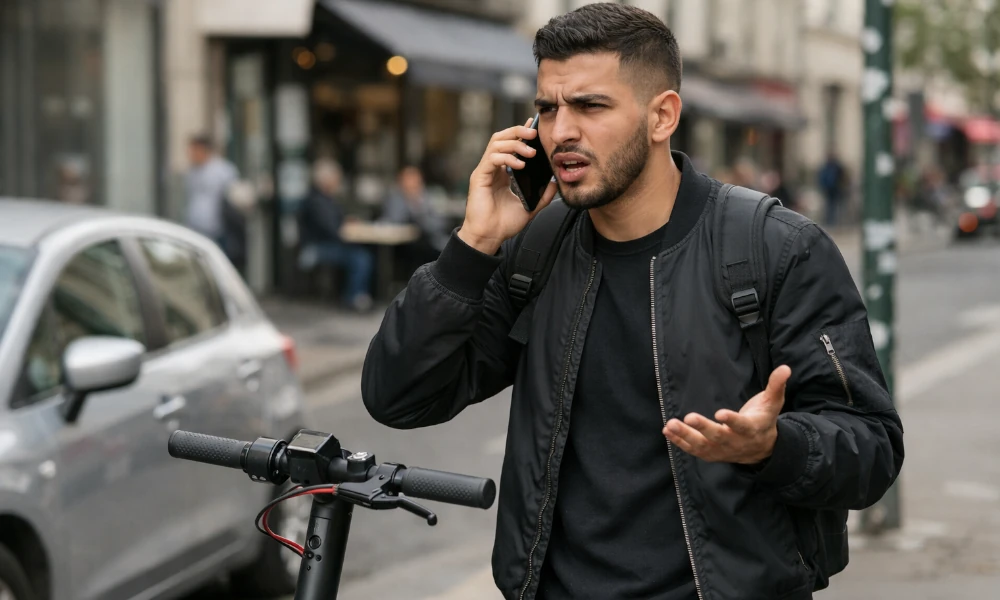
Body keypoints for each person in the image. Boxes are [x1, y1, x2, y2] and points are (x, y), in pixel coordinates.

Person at [362, 4, 904, 600]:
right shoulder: (534, 251)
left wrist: (774, 446)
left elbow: (871, 447)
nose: (561, 130)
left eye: (590, 106)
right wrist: (474, 246)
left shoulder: (775, 249)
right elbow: (399, 398)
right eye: (547, 108)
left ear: (661, 116)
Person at [297, 159, 374, 312]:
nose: (338, 182)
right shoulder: (316, 201)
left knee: (361, 254)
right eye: (336, 178)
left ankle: (358, 294)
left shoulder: (327, 199)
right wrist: (347, 229)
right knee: (360, 258)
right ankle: (353, 297)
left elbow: (337, 222)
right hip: (316, 248)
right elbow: (331, 230)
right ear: (327, 180)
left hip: (326, 244)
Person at [185, 134, 246, 270]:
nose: (191, 154)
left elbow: (236, 197)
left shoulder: (223, 170)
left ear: (203, 149)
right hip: (196, 229)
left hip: (218, 231)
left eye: (194, 150)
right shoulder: (192, 172)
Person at [380, 165, 450, 261]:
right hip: (404, 246)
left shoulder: (429, 197)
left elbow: (440, 224)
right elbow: (392, 220)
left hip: (431, 242)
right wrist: (409, 201)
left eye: (414, 179)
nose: (411, 183)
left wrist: (418, 208)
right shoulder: (395, 198)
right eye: (407, 179)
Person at [817, 152, 847, 226]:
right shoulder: (832, 167)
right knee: (831, 206)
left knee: (832, 206)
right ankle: (831, 221)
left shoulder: (832, 167)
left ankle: (832, 221)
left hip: (833, 189)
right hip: (831, 190)